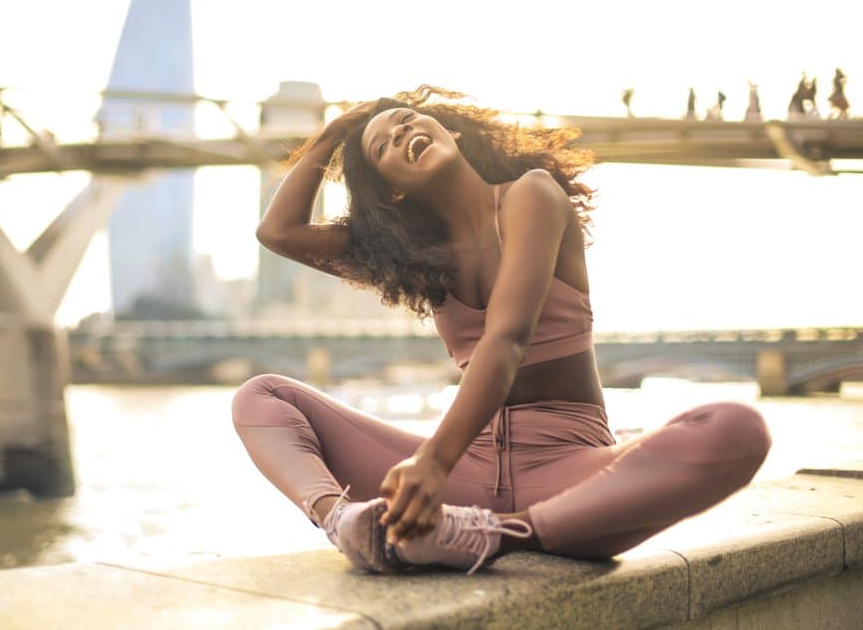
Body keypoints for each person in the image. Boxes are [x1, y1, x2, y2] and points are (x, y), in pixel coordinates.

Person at [232, 85, 773, 576]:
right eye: (383, 147)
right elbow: (278, 232)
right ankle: (345, 524)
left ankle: (498, 536)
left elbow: (508, 339)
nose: (401, 133)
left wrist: (432, 463)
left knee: (737, 428)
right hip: (463, 471)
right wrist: (334, 132)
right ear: (392, 192)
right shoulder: (414, 256)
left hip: (565, 473)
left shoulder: (529, 196)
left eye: (406, 120)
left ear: (454, 131)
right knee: (263, 396)